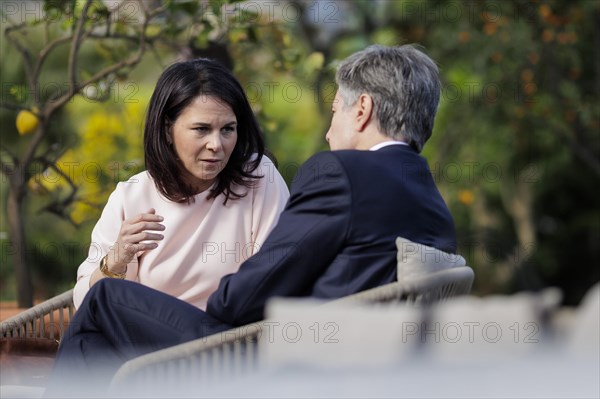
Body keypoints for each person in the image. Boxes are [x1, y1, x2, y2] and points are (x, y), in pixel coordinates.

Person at [46, 44, 456, 396]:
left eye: (335, 111)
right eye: (202, 129)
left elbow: (248, 295)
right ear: (167, 130)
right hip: (335, 361)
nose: (330, 133)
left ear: (362, 108)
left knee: (105, 301)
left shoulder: (340, 174)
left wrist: (220, 299)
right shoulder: (430, 200)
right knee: (100, 320)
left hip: (269, 361)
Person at [71, 58, 289, 312]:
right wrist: (117, 260)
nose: (216, 145)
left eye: (228, 129)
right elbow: (86, 303)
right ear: (167, 129)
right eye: (201, 129)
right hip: (152, 341)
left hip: (230, 335)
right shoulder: (131, 197)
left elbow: (276, 276)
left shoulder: (258, 177)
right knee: (100, 308)